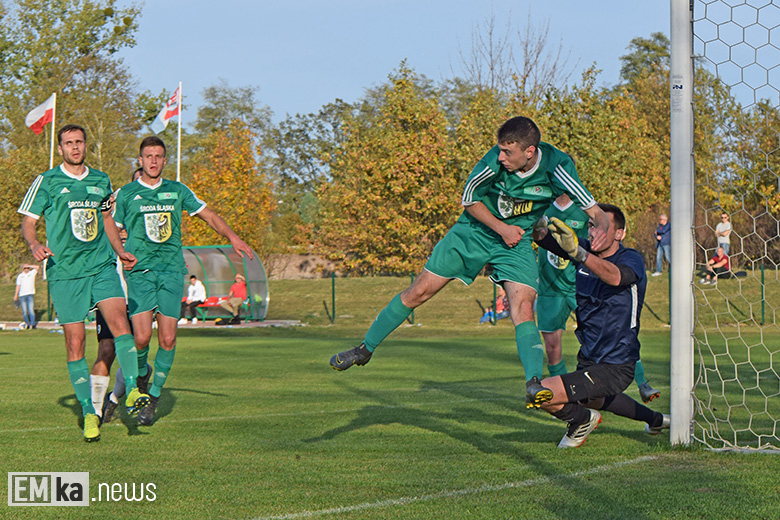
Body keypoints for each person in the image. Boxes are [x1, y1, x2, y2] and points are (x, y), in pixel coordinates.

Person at [328, 116, 610, 409]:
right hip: (471, 233)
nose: (500, 157)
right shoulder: (492, 162)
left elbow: (595, 211)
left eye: (507, 152)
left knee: (524, 309)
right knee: (419, 292)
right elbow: (469, 200)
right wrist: (502, 229)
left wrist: (602, 232)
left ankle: (533, 383)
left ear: (529, 151)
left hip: (515, 245)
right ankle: (365, 348)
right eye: (499, 149)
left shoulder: (557, 166)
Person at [18, 124, 149, 442]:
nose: (75, 147)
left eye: (79, 142)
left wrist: (121, 252)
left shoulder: (101, 180)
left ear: (86, 146)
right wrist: (34, 244)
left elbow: (106, 221)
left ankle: (131, 390)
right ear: (60, 148)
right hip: (66, 273)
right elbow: (29, 221)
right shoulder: (47, 181)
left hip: (102, 268)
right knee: (75, 344)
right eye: (68, 143)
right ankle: (90, 413)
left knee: (120, 324)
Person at [112, 135, 253, 426]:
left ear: (165, 160)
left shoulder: (177, 190)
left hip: (171, 272)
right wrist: (120, 252)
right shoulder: (125, 194)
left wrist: (233, 237)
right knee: (141, 338)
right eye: (148, 156)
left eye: (158, 156)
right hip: (139, 273)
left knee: (168, 338)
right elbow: (111, 229)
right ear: (140, 160)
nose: (153, 161)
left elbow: (209, 215)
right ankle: (139, 378)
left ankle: (152, 398)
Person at [533, 203, 669, 448]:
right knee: (593, 399)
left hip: (617, 362)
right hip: (589, 357)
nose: (594, 232)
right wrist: (533, 220)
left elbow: (616, 277)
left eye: (603, 227)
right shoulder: (582, 249)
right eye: (592, 225)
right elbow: (543, 239)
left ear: (620, 234)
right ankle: (656, 420)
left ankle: (581, 421)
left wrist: (581, 256)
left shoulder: (631, 258)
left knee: (539, 392)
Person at [14, 263, 39, 329]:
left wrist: (29, 265)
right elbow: (18, 285)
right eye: (25, 268)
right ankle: (27, 324)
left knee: (31, 310)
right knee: (25, 311)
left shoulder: (32, 273)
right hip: (22, 295)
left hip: (30, 294)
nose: (26, 269)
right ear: (23, 269)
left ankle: (33, 324)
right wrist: (16, 295)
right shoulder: (20, 276)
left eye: (27, 268)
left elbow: (37, 267)